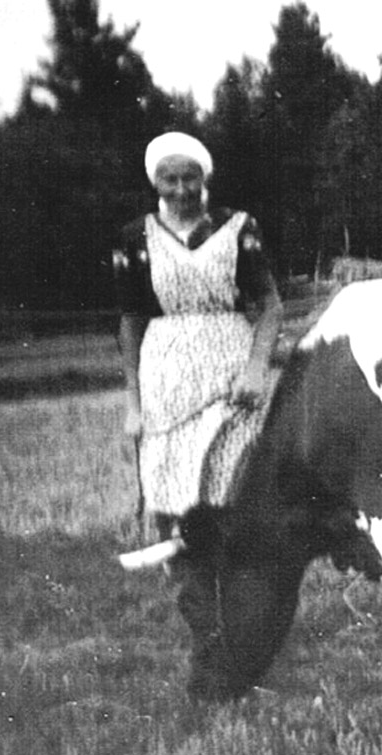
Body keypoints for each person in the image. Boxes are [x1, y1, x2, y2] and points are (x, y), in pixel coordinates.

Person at [114, 132, 283, 540]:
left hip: (230, 377)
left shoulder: (239, 227)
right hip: (164, 382)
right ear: (155, 182)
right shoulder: (135, 238)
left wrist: (257, 369)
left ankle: (238, 575)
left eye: (189, 178)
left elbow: (271, 306)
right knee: (172, 490)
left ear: (204, 178)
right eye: (169, 180)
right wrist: (134, 405)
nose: (180, 189)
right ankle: (189, 583)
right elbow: (131, 321)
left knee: (236, 485)